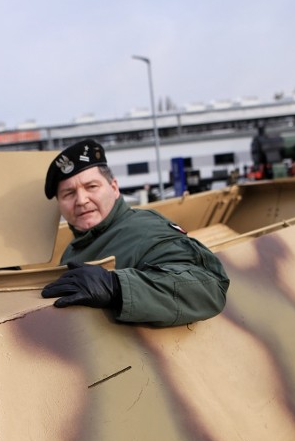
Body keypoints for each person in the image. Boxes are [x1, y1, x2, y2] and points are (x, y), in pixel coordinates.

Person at [41, 139, 230, 327]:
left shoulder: (147, 230)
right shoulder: (72, 250)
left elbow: (209, 288)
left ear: (114, 188)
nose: (81, 200)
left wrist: (116, 287)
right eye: (68, 193)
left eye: (91, 187)